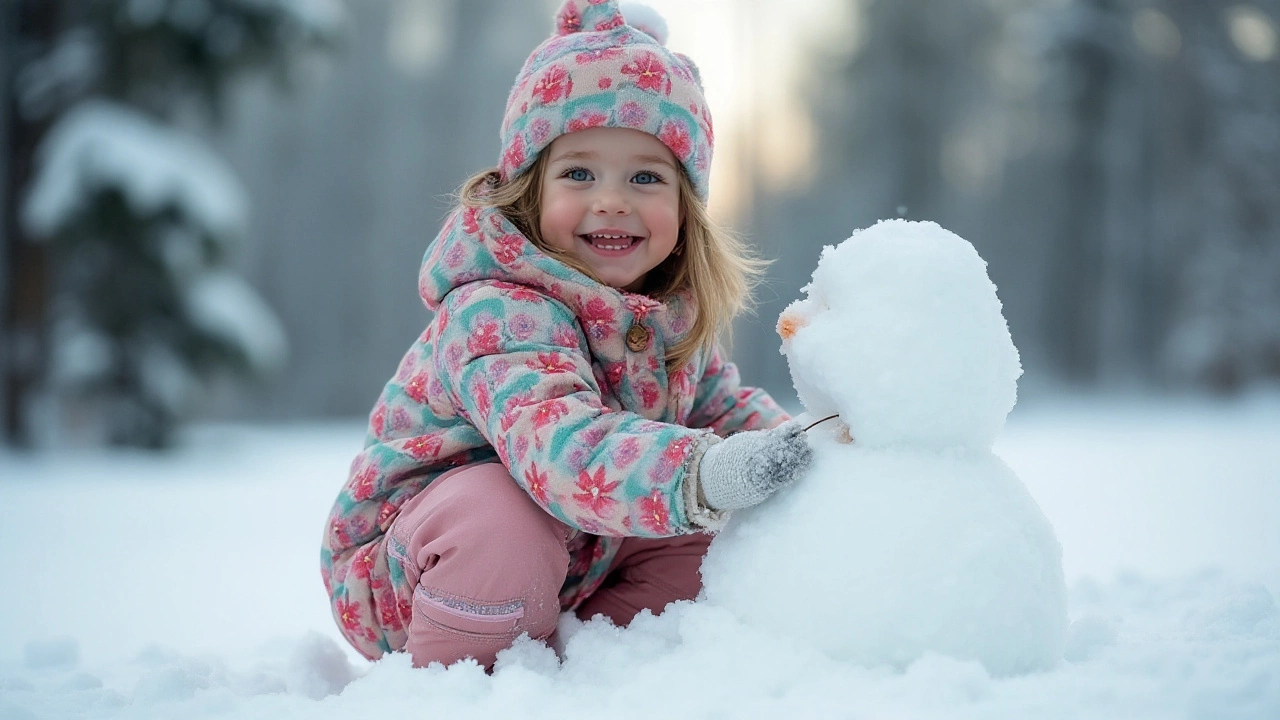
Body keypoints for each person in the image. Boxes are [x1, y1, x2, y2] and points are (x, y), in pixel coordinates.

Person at [320, 0, 813, 669]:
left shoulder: (662, 317)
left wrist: (812, 452)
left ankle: (584, 671)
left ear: (685, 206)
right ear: (530, 189)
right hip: (413, 565)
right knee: (500, 523)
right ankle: (461, 690)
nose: (612, 199)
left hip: (577, 553)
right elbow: (562, 451)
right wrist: (704, 473)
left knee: (715, 545)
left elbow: (724, 412)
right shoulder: (496, 310)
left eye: (646, 176)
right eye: (579, 172)